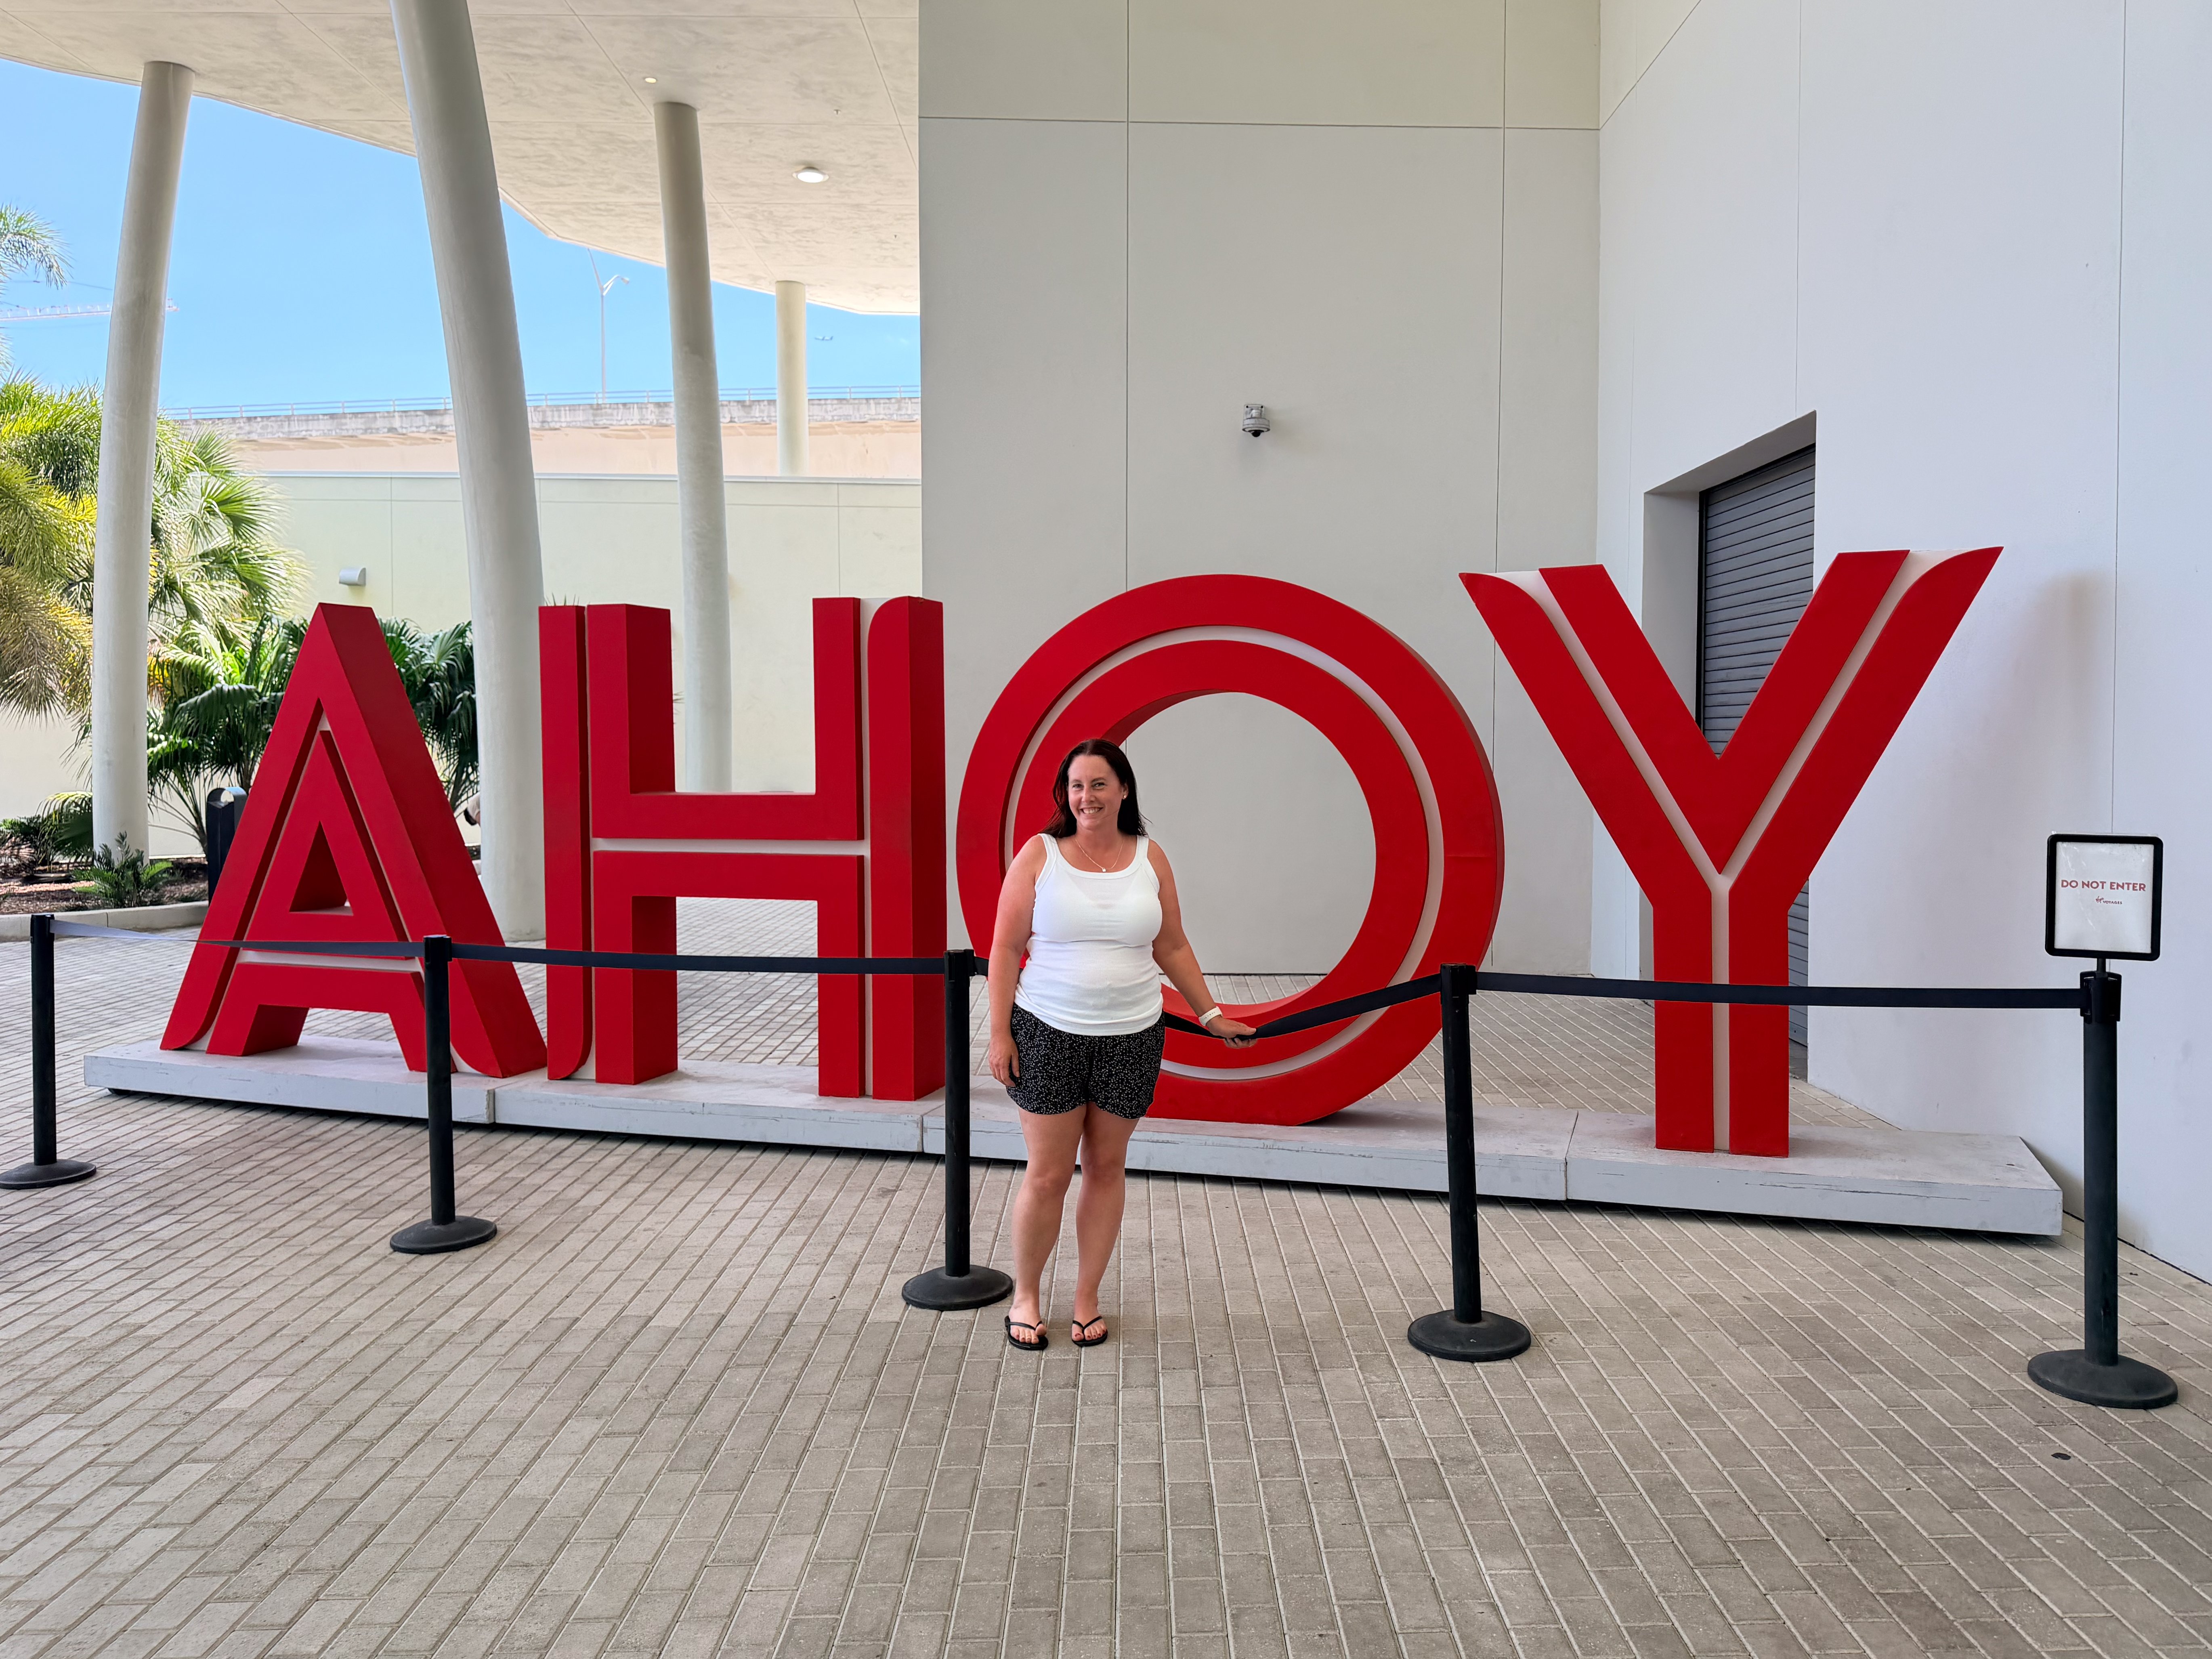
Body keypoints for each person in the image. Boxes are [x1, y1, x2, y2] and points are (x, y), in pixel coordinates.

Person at [985, 737, 1257, 1351]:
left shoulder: (1149, 857)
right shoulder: (1039, 855)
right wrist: (999, 1032)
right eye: (1077, 787)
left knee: (1106, 1169)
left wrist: (1210, 1014)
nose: (1087, 797)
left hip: (1132, 1037)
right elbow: (1004, 949)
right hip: (1048, 1032)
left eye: (1099, 784)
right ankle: (1026, 1296)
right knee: (1049, 1174)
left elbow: (1172, 946)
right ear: (1066, 796)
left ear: (1124, 790)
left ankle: (1086, 1299)